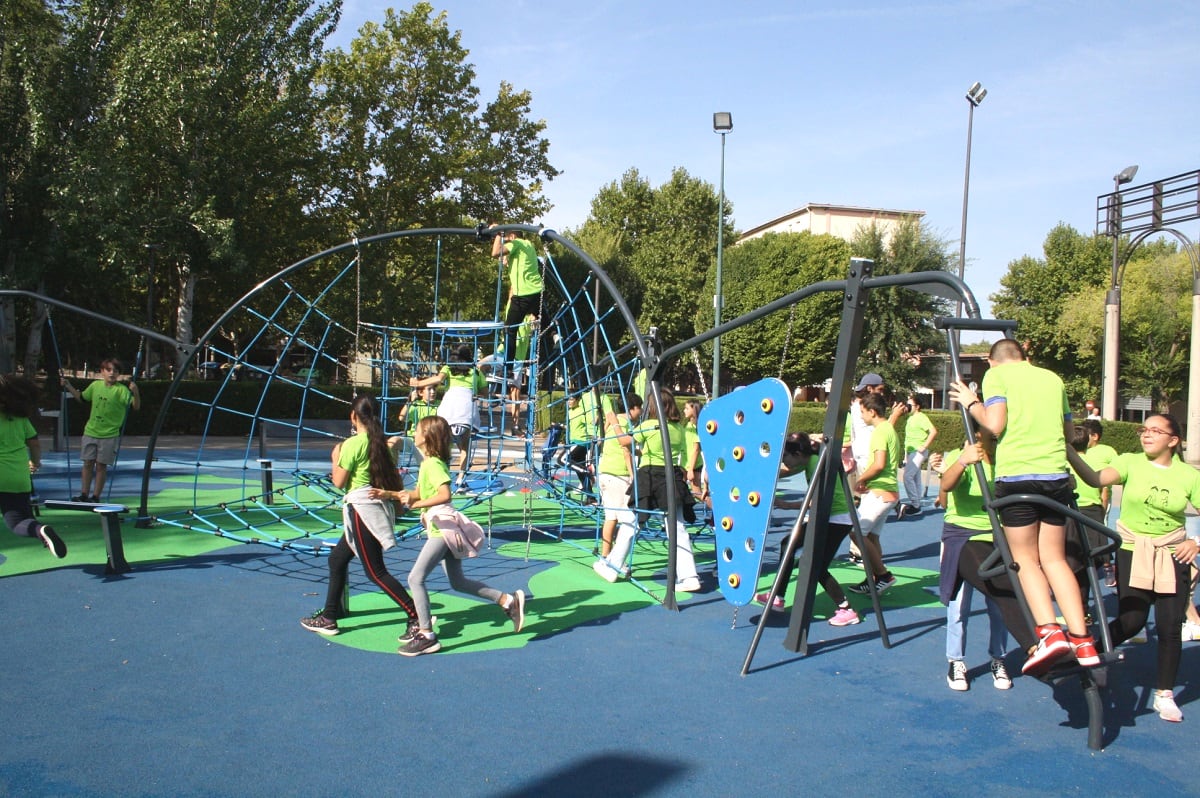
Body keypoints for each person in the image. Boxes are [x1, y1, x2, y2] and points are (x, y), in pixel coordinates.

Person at [950, 338, 1097, 676]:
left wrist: (973, 402)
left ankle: (1048, 632)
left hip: (1018, 478)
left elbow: (995, 423)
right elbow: (1069, 430)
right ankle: (1082, 638)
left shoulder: (997, 377)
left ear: (992, 361)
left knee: (1024, 560)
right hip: (1055, 478)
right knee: (1055, 558)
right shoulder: (1052, 379)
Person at [1067, 414, 1200, 722]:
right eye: (1144, 429)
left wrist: (1195, 541)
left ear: (1173, 440)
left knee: (1169, 627)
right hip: (1132, 550)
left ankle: (1164, 694)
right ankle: (1092, 655)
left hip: (1172, 553)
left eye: (1155, 430)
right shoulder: (1130, 462)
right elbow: (1095, 479)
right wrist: (1069, 452)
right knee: (1132, 620)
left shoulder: (1188, 475)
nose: (1146, 434)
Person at [393, 415, 526, 656]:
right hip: (441, 528)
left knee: (415, 578)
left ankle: (426, 634)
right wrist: (395, 495)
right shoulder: (429, 463)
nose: (415, 432)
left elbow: (445, 495)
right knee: (458, 582)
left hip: (442, 531)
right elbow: (420, 492)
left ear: (428, 437)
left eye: (419, 429)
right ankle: (507, 601)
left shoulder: (431, 464)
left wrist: (418, 502)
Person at [300, 394, 419, 641]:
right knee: (337, 559)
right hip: (376, 506)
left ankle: (416, 616)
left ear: (353, 417)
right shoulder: (382, 443)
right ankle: (329, 616)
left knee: (375, 572)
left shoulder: (352, 445)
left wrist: (336, 456)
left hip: (362, 509)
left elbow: (339, 482)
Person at [757, 432, 860, 627]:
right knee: (789, 544)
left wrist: (788, 505)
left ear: (796, 454)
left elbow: (819, 501)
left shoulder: (814, 464)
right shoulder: (809, 459)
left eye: (786, 456)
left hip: (837, 519)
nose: (785, 461)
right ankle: (778, 596)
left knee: (816, 566)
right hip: (827, 517)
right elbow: (785, 471)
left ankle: (847, 609)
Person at [937, 428, 1012, 691]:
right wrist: (961, 461)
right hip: (961, 534)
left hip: (995, 537)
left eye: (993, 438)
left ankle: (998, 658)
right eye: (984, 437)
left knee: (1000, 603)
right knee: (959, 605)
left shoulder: (1005, 460)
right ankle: (956, 661)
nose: (988, 443)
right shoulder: (963, 456)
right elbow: (945, 487)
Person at [617, 387, 702, 592]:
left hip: (649, 475)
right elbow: (682, 453)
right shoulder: (678, 429)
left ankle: (613, 563)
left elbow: (625, 442)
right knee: (677, 528)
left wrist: (614, 424)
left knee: (632, 520)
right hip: (671, 476)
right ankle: (689, 576)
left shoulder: (650, 425)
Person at [0, 375, 66, 558]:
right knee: (18, 521)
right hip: (18, 477)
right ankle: (39, 530)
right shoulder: (20, 419)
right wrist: (35, 462)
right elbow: (34, 444)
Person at [61, 358, 140, 502]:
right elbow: (82, 398)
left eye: (115, 371)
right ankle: (84, 494)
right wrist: (69, 386)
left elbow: (135, 407)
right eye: (108, 370)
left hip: (109, 434)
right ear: (102, 372)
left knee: (101, 466)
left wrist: (135, 392)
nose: (112, 373)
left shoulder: (121, 390)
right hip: (91, 431)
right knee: (87, 463)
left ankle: (95, 496)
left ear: (119, 374)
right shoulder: (95, 385)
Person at [846, 392, 901, 595]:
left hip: (881, 492)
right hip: (886, 490)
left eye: (862, 412)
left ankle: (883, 575)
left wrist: (861, 479)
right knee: (872, 536)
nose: (860, 416)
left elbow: (879, 464)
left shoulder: (879, 432)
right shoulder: (888, 429)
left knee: (856, 532)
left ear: (872, 411)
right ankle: (875, 577)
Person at [410, 344, 488, 489]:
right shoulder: (476, 372)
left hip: (448, 411)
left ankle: (439, 475)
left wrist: (418, 383)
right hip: (466, 412)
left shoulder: (448, 368)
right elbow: (485, 392)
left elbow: (438, 379)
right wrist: (476, 393)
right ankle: (460, 477)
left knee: (441, 445)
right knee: (464, 446)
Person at [593, 391, 642, 568]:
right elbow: (625, 449)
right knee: (626, 519)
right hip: (618, 475)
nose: (641, 411)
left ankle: (606, 555)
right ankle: (615, 559)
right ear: (631, 409)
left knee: (610, 517)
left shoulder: (613, 424)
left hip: (605, 472)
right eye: (639, 408)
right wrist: (632, 474)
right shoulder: (625, 424)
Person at [490, 225, 545, 379]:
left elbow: (495, 253)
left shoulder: (516, 243)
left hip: (523, 295)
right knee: (541, 314)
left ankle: (507, 369)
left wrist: (499, 234)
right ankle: (555, 336)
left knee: (509, 330)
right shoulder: (528, 246)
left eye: (506, 240)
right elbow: (507, 259)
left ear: (512, 237)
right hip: (537, 290)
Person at [899, 394, 937, 518]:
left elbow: (933, 431)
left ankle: (915, 505)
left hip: (918, 451)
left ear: (917, 406)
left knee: (907, 477)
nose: (908, 407)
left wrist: (924, 446)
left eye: (910, 405)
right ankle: (916, 504)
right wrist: (905, 455)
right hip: (911, 451)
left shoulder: (922, 417)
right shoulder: (910, 418)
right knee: (915, 478)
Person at [565, 391, 597, 498]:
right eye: (568, 400)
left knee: (566, 460)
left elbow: (590, 421)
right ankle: (590, 496)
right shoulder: (570, 411)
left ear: (577, 400)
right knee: (580, 471)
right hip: (574, 441)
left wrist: (596, 418)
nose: (569, 402)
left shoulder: (581, 411)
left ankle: (588, 474)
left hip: (582, 442)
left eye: (572, 399)